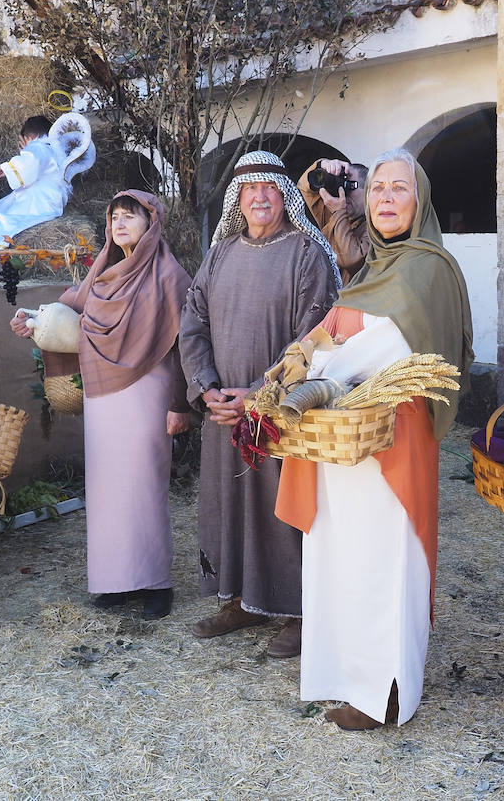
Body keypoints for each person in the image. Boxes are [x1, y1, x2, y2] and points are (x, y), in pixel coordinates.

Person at [274, 148, 474, 730]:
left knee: (383, 561)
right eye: (379, 187)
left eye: (400, 189)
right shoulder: (372, 266)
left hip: (392, 440)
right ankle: (345, 675)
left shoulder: (428, 268)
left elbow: (388, 345)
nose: (386, 198)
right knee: (342, 554)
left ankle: (387, 687)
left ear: (420, 201)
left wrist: (311, 367)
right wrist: (313, 352)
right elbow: (338, 331)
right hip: (342, 438)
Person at [178, 150, 340, 658]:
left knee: (284, 508)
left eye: (270, 187)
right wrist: (206, 387)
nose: (260, 197)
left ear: (284, 195)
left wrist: (259, 394)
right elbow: (192, 323)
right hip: (222, 412)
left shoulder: (307, 254)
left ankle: (297, 610)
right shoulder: (220, 252)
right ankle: (243, 600)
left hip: (282, 413)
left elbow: (316, 340)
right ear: (237, 200)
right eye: (250, 189)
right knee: (229, 504)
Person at [11, 190, 192, 619]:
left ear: (151, 223)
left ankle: (155, 584)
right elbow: (68, 306)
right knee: (108, 488)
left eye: (130, 217)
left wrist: (180, 403)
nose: (120, 224)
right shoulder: (103, 272)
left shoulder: (169, 275)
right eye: (114, 218)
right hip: (103, 392)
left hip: (150, 388)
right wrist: (33, 322)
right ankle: (115, 582)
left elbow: (186, 343)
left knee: (145, 486)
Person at [0, 113, 95, 250]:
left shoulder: (38, 146)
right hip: (50, 204)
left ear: (29, 137)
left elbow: (29, 163)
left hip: (37, 205)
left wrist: (7, 167)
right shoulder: (55, 152)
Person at [299, 158, 370, 284]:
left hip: (349, 301)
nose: (344, 193)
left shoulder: (377, 226)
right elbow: (304, 186)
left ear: (369, 191)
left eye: (349, 187)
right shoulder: (333, 215)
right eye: (341, 185)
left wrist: (339, 212)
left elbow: (352, 259)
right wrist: (322, 164)